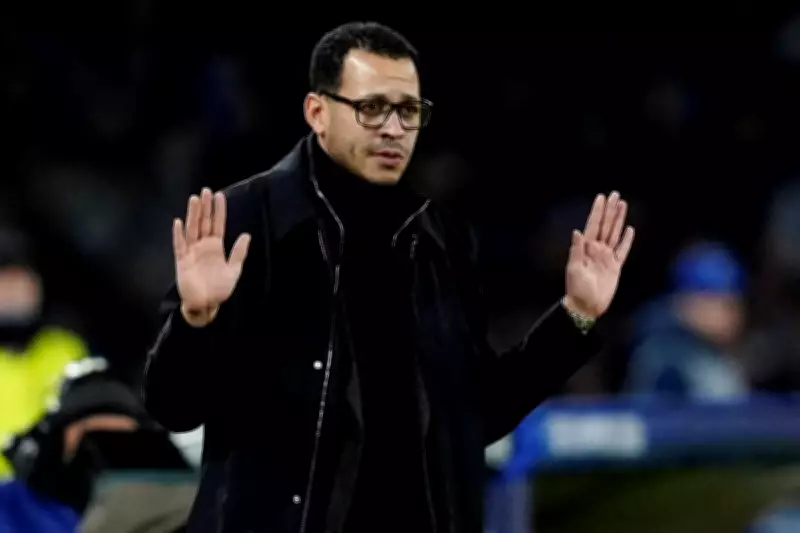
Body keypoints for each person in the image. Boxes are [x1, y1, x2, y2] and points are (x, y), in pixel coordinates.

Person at [142, 22, 635, 533]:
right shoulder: (246, 220)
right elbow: (172, 407)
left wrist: (575, 316)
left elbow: (474, 418)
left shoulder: (441, 238)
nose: (394, 129)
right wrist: (195, 320)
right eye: (372, 107)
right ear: (317, 112)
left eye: (408, 111)